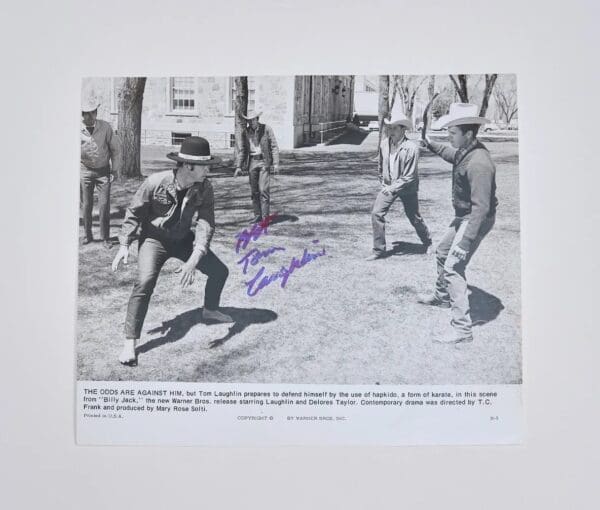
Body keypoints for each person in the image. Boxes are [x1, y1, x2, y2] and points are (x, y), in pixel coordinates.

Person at [112, 136, 233, 366]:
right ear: (188, 166)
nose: (209, 169)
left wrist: (195, 258)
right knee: (145, 282)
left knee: (219, 272)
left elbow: (206, 223)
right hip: (153, 240)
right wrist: (125, 244)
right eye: (205, 165)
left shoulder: (205, 188)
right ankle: (130, 342)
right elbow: (134, 212)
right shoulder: (155, 182)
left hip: (182, 239)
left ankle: (210, 310)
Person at [417, 103, 498, 345]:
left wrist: (465, 241)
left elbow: (481, 209)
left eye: (452, 133)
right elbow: (452, 155)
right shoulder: (466, 151)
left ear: (469, 134)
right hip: (465, 215)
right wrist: (431, 144)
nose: (449, 137)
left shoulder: (479, 163)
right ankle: (442, 297)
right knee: (442, 252)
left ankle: (462, 330)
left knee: (453, 267)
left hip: (475, 219)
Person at [366, 111, 432, 261]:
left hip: (407, 187)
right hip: (389, 186)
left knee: (414, 217)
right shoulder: (384, 144)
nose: (391, 131)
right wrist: (383, 180)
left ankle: (428, 242)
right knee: (377, 213)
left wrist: (392, 187)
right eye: (389, 127)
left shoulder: (411, 148)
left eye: (395, 128)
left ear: (403, 129)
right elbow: (380, 165)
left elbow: (409, 176)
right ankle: (379, 250)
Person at [80, 96, 120, 248]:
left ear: (96, 113)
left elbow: (115, 150)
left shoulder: (105, 127)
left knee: (104, 205)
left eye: (92, 113)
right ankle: (87, 235)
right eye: (86, 113)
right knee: (86, 205)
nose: (89, 116)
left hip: (103, 172)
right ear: (82, 114)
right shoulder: (76, 128)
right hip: (85, 171)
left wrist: (115, 170)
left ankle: (106, 238)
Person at [234, 111, 280, 224]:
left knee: (263, 189)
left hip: (264, 161)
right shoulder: (245, 132)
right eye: (249, 120)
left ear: (257, 119)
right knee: (254, 191)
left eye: (253, 119)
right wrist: (239, 166)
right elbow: (243, 150)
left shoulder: (266, 129)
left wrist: (276, 163)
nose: (251, 122)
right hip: (252, 162)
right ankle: (257, 215)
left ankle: (265, 218)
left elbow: (274, 146)